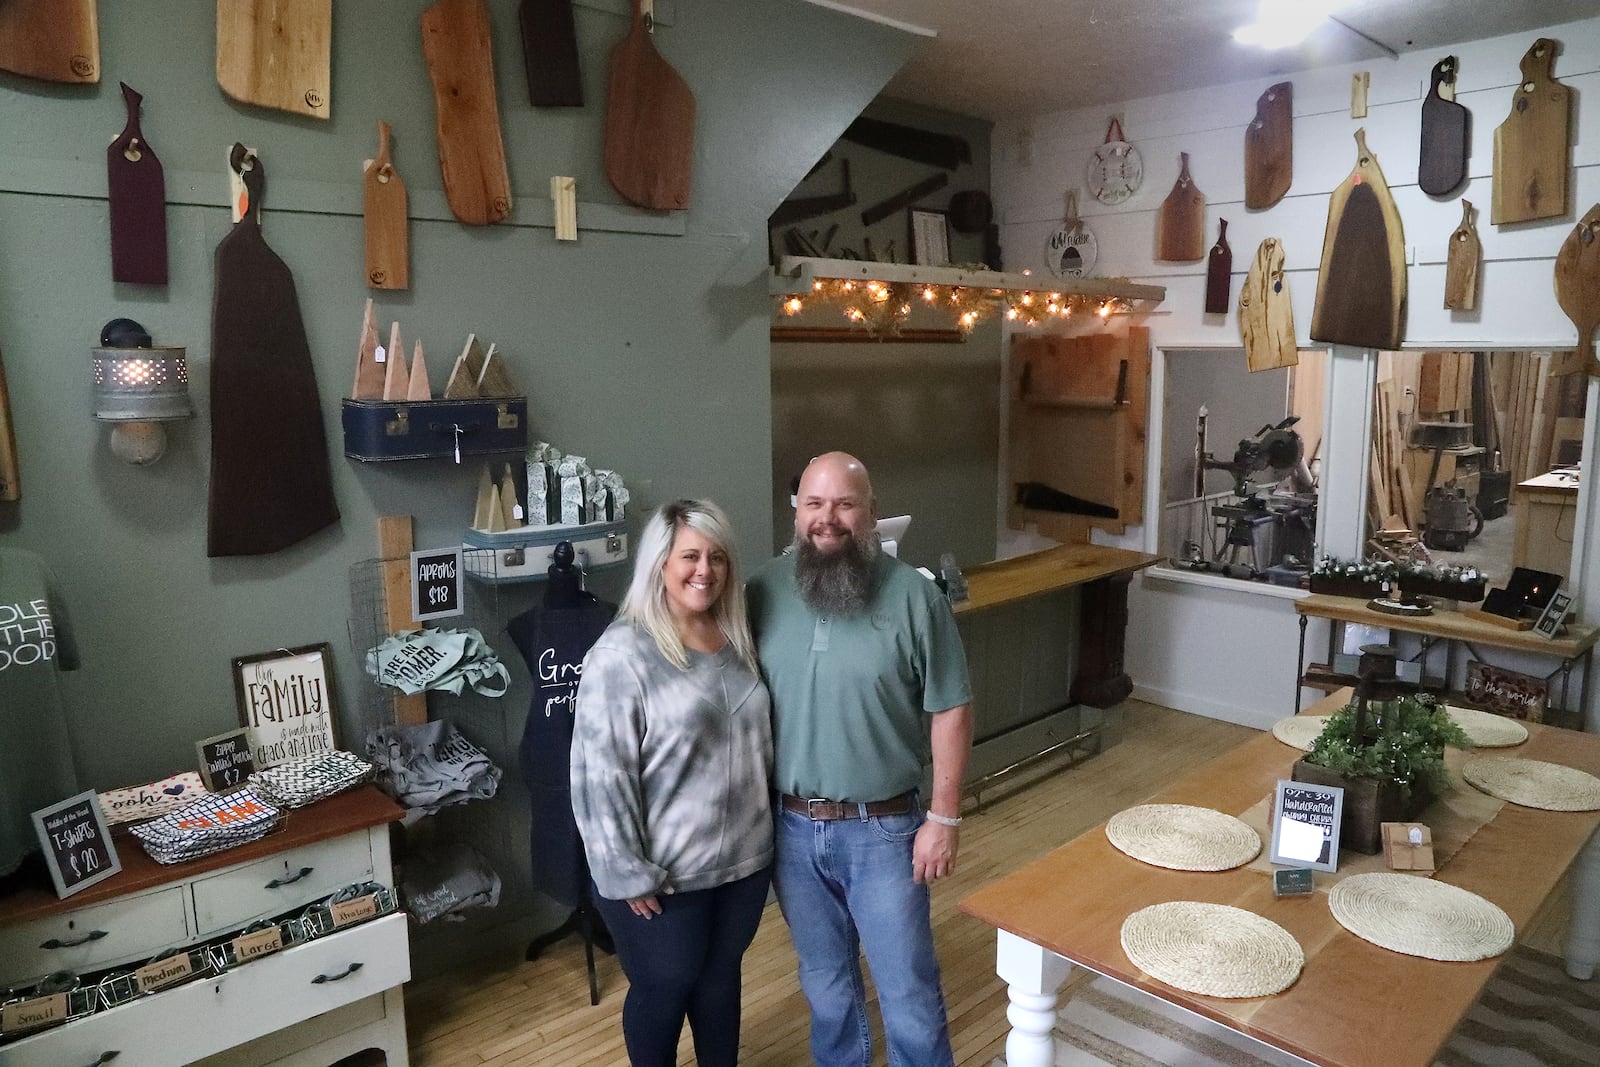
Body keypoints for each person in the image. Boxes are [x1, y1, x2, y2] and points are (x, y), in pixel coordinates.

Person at [747, 452, 974, 1067]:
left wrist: (945, 819)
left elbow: (951, 707)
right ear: (797, 512)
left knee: (908, 992)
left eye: (844, 504)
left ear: (871, 514)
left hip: (886, 830)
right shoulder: (760, 591)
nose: (828, 519)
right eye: (814, 504)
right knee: (826, 990)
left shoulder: (914, 597)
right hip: (790, 830)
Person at [570, 500, 773, 1067]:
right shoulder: (621, 654)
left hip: (741, 865)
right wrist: (626, 870)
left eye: (716, 557)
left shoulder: (738, 637)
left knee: (718, 985)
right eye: (689, 556)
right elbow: (598, 777)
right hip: (664, 875)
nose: (703, 570)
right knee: (666, 986)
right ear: (660, 563)